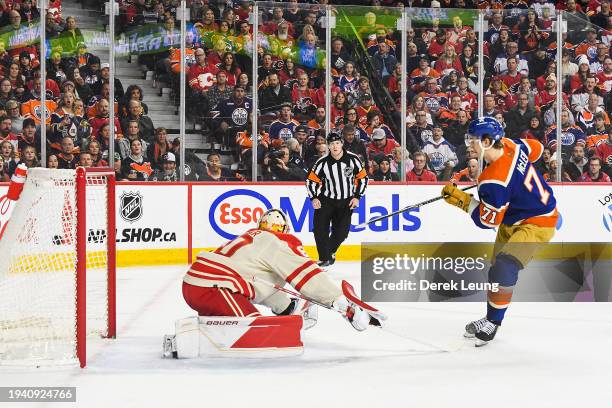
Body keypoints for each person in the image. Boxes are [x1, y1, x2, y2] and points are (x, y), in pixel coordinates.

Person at [168, 208, 385, 357]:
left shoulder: (251, 240)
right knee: (256, 333)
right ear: (283, 229)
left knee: (243, 323)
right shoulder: (276, 242)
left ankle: (197, 332)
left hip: (199, 285)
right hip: (213, 287)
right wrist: (343, 304)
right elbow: (307, 275)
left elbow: (262, 285)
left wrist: (289, 307)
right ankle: (191, 340)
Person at [442, 117, 558, 346]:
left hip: (536, 222)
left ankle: (494, 321)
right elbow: (537, 149)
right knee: (497, 272)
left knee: (505, 266)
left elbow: (488, 220)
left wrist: (462, 200)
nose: (469, 144)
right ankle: (490, 316)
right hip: (514, 218)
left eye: (473, 139)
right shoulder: (510, 144)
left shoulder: (492, 180)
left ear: (486, 141)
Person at [306, 132, 368, 267]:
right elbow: (311, 181)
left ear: (342, 144)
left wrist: (357, 197)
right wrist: (314, 197)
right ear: (328, 146)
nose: (335, 146)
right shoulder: (322, 163)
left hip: (346, 202)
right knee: (319, 229)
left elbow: (363, 178)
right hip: (326, 200)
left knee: (342, 232)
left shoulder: (353, 159)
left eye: (337, 143)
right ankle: (324, 259)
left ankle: (329, 252)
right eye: (332, 144)